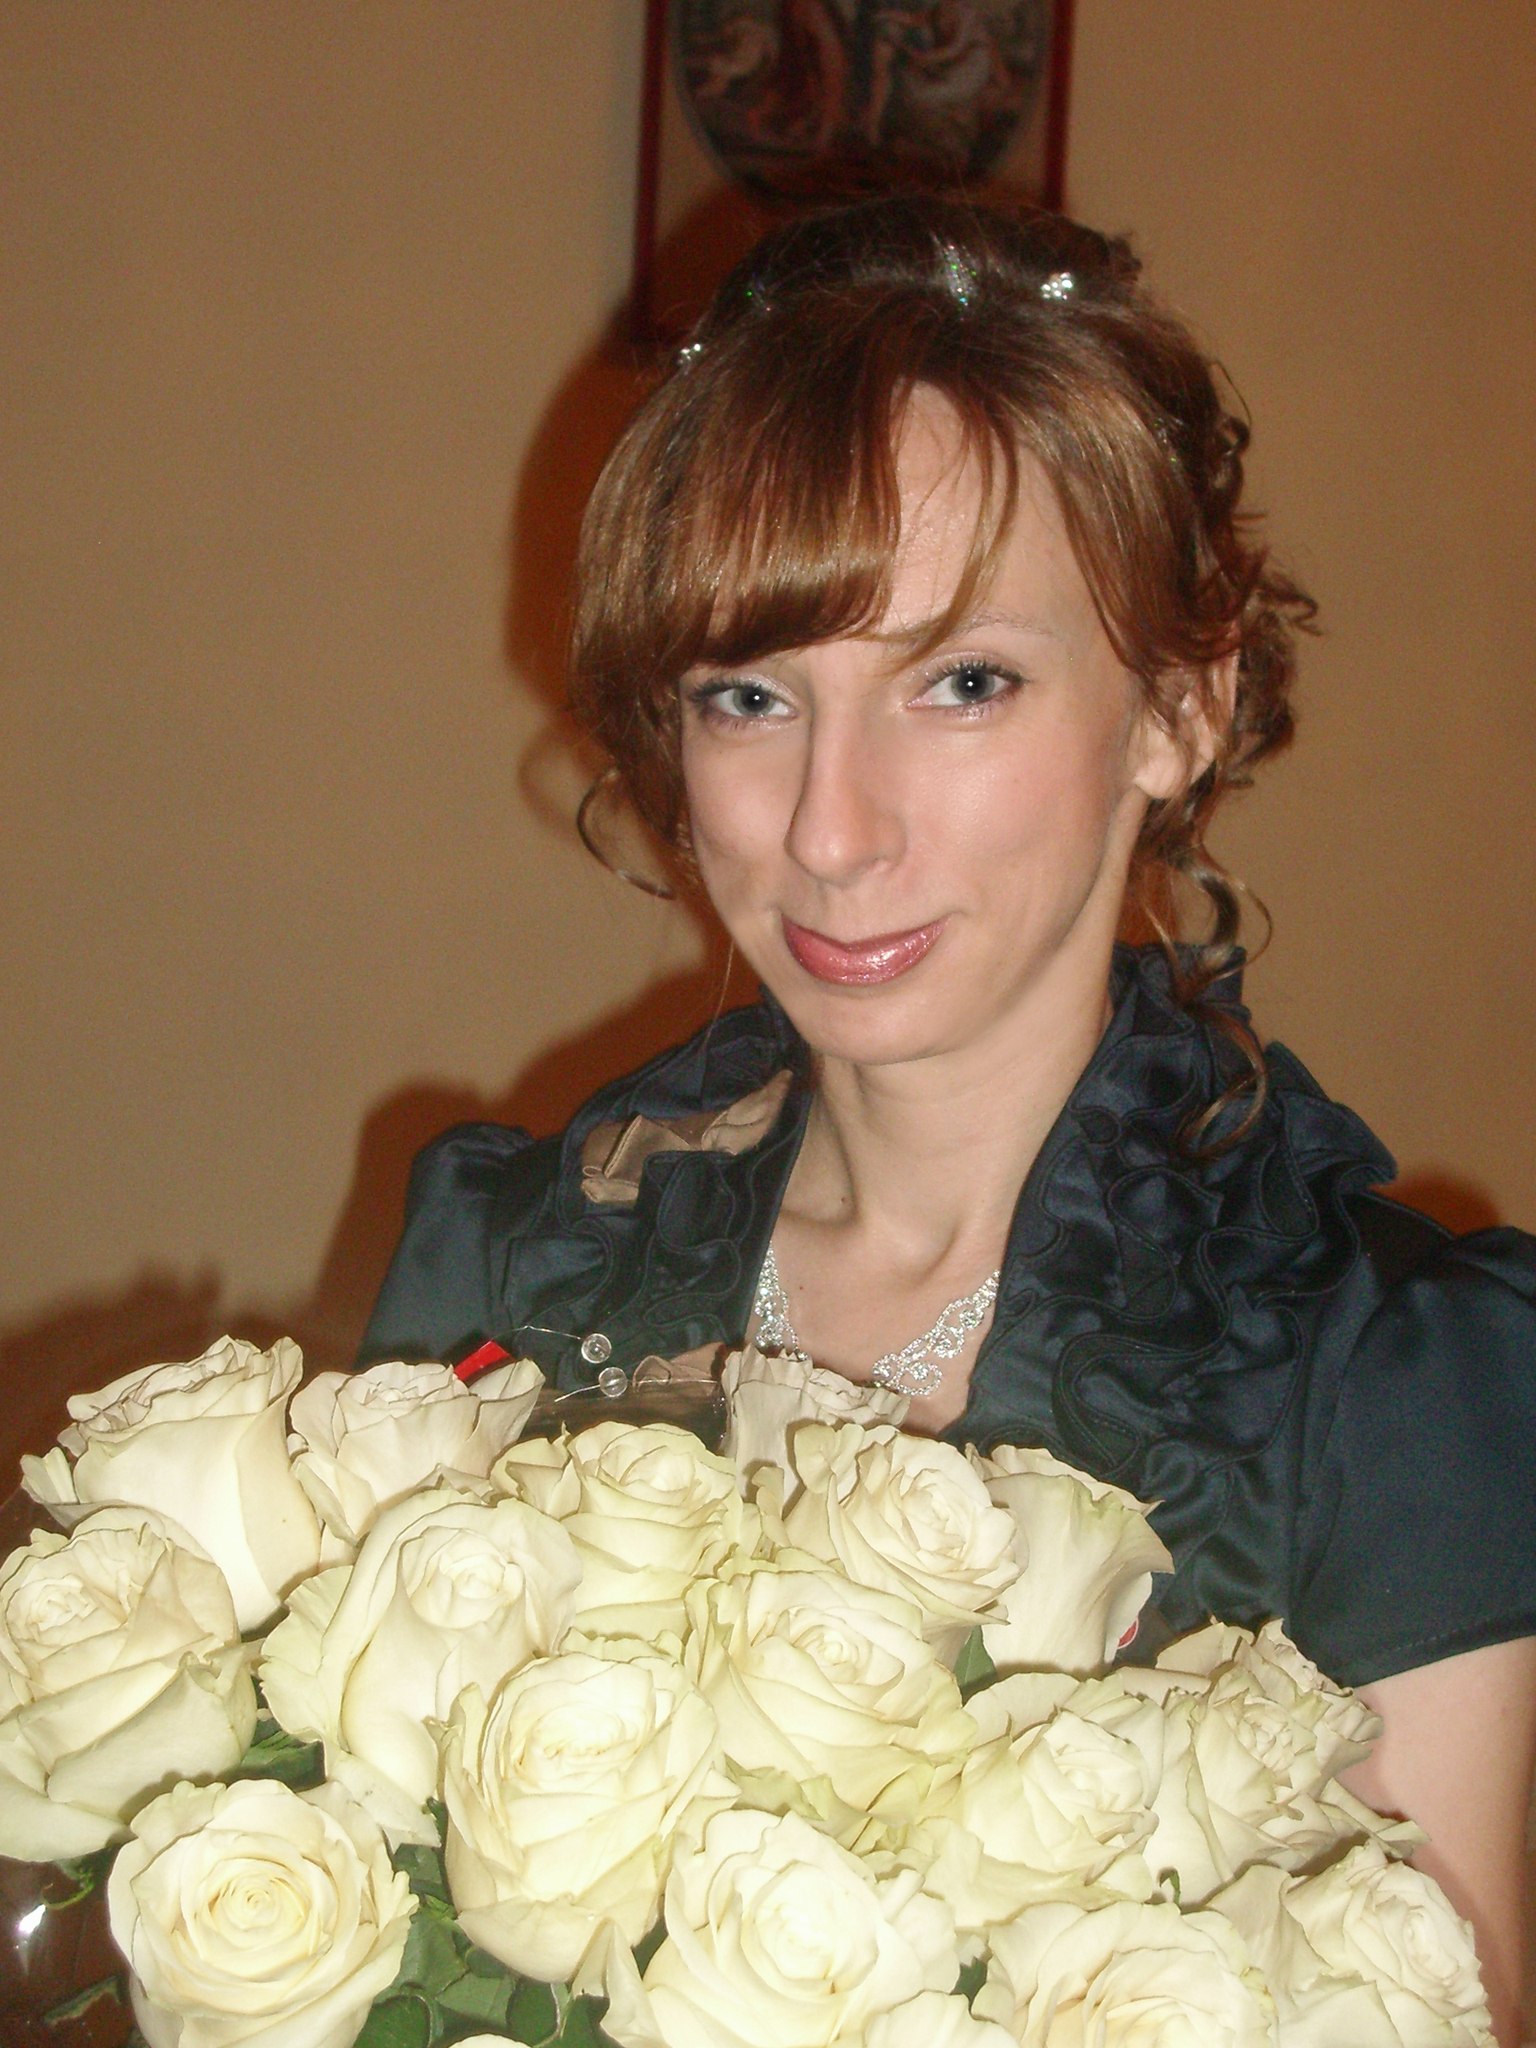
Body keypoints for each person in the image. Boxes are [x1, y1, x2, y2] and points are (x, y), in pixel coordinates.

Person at [361, 196, 1536, 2039]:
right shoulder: (521, 1258)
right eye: (752, 696)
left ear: (1177, 709)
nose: (832, 828)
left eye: (963, 682)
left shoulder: (1387, 1396)